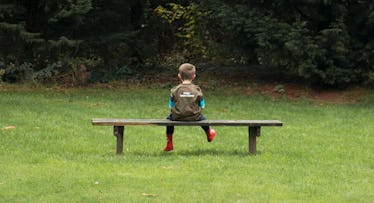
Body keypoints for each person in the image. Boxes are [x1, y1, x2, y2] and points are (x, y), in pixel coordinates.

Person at [163, 63, 216, 151]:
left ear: (179, 76)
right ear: (194, 76)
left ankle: (169, 143)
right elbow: (202, 105)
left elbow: (170, 105)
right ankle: (209, 134)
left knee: (168, 121)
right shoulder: (197, 90)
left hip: (177, 117)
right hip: (195, 116)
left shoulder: (175, 90)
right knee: (204, 120)